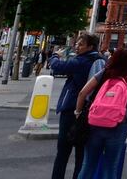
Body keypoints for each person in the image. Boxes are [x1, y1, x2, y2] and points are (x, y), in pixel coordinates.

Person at [74, 48, 127, 179]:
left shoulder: (105, 73)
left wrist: (78, 112)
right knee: (111, 166)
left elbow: (83, 92)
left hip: (95, 121)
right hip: (119, 123)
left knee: (88, 164)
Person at [49, 33, 104, 179]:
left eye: (81, 45)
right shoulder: (101, 60)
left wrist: (55, 55)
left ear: (90, 47)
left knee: (63, 151)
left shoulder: (81, 61)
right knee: (81, 152)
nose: (77, 47)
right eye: (77, 44)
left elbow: (57, 67)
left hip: (72, 109)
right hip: (89, 110)